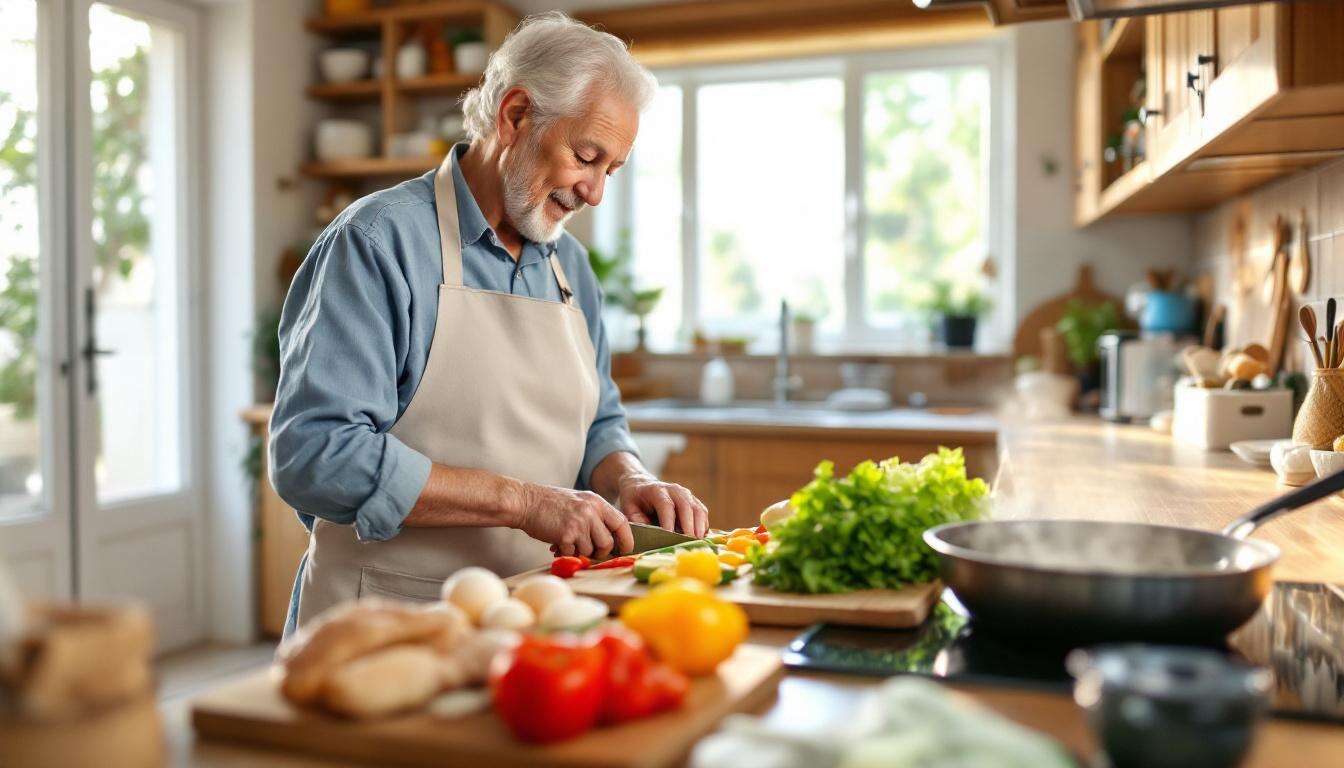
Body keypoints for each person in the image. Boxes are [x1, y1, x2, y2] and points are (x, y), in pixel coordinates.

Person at [269, 12, 708, 636]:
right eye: (587, 157)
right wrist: (527, 503)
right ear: (515, 115)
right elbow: (314, 454)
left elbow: (599, 420)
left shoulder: (571, 268)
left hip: (534, 624)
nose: (594, 193)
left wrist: (629, 476)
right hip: (383, 626)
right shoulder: (376, 244)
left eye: (611, 171)